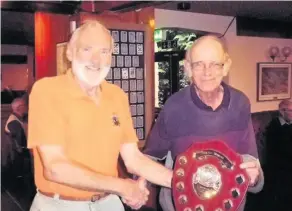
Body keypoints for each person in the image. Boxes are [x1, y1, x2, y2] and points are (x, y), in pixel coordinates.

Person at [28, 20, 172, 211]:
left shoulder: (117, 95)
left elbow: (133, 159)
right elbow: (55, 168)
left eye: (104, 52)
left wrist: (182, 181)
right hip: (60, 204)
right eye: (87, 49)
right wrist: (122, 187)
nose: (96, 61)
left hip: (109, 204)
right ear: (70, 53)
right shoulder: (47, 90)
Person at [144, 35, 264, 211]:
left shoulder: (240, 103)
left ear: (226, 66)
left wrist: (255, 177)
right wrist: (139, 185)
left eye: (215, 64)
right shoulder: (173, 106)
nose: (207, 72)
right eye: (199, 64)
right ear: (187, 68)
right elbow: (150, 156)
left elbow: (250, 161)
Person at [263, 99, 292, 211]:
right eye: (290, 111)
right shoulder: (274, 127)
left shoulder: (290, 124)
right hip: (280, 165)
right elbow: (278, 151)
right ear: (282, 111)